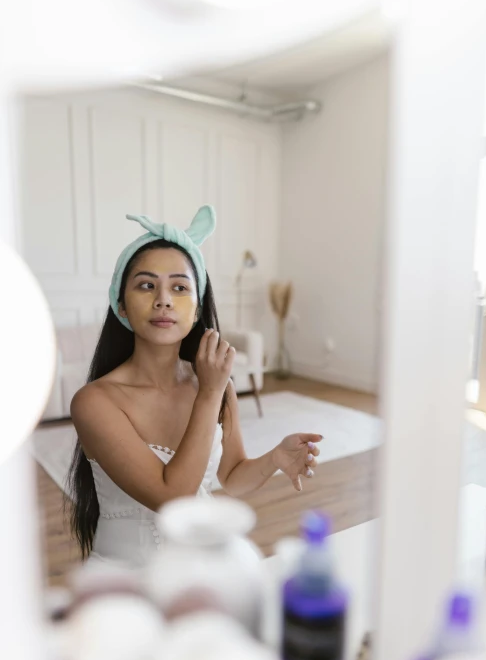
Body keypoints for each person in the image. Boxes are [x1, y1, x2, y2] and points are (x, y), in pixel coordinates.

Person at [67, 206, 322, 567]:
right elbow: (174, 499)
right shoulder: (93, 402)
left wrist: (275, 459)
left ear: (197, 307)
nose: (164, 299)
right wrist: (209, 392)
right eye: (146, 285)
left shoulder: (216, 385)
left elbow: (231, 478)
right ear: (121, 306)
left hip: (204, 564)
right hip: (126, 576)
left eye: (179, 287)